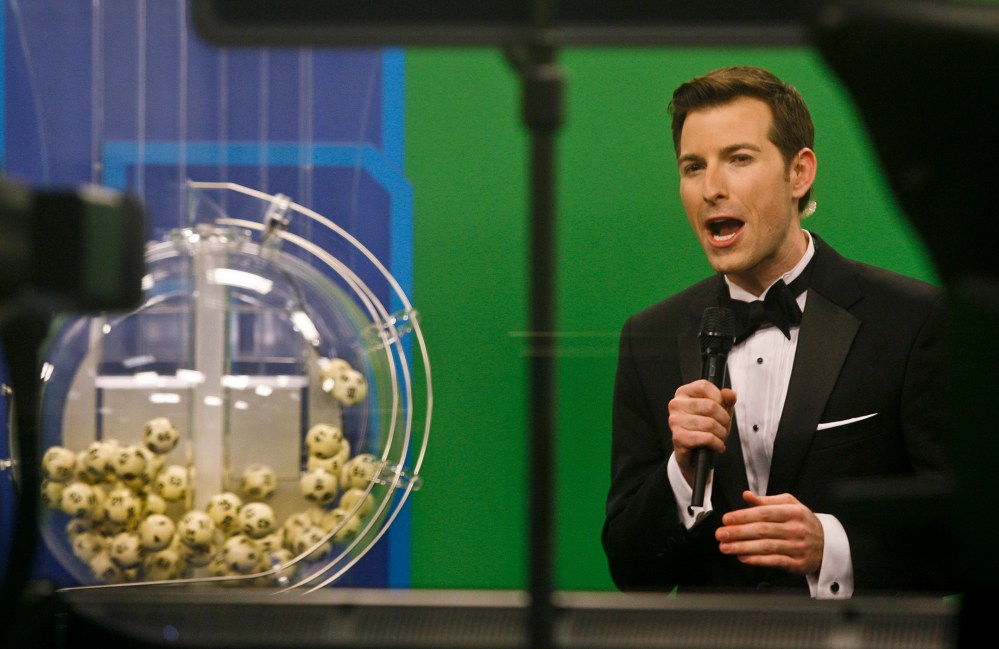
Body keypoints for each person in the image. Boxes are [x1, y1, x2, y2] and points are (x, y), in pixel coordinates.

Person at [601, 65, 954, 598]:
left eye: (738, 159)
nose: (712, 189)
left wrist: (830, 546)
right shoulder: (649, 336)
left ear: (799, 172)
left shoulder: (911, 319)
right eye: (692, 167)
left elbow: (966, 533)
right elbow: (630, 567)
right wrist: (678, 470)